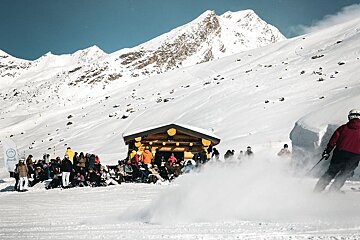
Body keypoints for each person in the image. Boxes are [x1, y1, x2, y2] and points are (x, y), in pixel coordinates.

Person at [314, 109, 360, 193]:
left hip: (340, 153)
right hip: (355, 156)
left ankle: (318, 190)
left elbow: (333, 140)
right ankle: (333, 191)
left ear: (350, 117)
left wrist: (327, 151)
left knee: (331, 172)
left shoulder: (343, 128)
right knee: (344, 174)